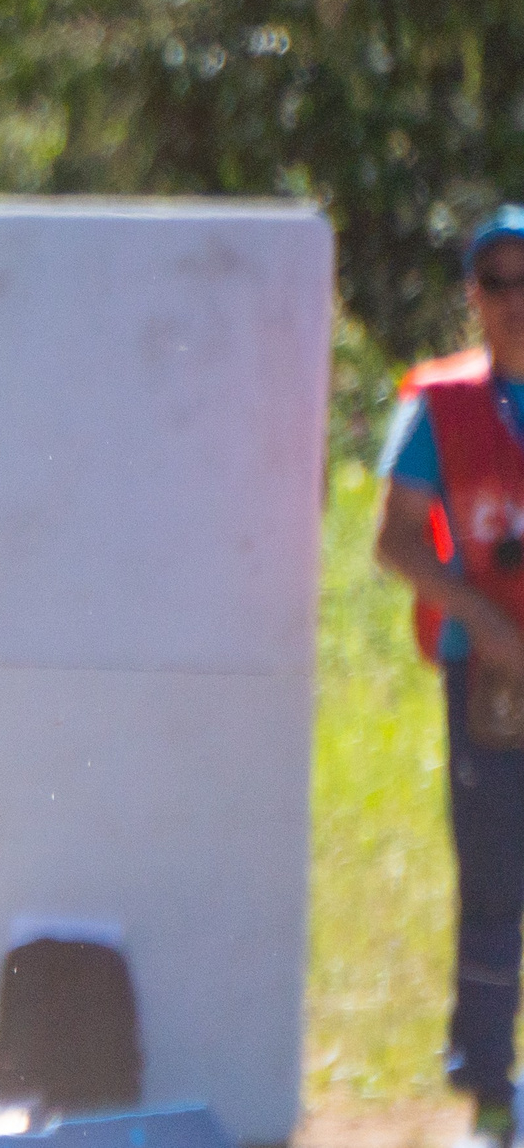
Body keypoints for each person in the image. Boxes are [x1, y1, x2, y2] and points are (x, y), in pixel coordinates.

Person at [376, 206, 524, 1148]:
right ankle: (486, 1083)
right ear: (472, 297)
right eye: (496, 282)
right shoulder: (440, 403)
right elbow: (392, 540)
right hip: (489, 680)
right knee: (494, 871)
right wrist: (479, 617)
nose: (514, 302)